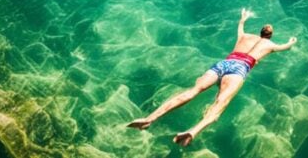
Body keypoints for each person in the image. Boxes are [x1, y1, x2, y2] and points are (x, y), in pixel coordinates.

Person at [126, 8, 297, 147]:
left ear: (260, 31)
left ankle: (149, 119)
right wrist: (291, 41)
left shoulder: (244, 37)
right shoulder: (270, 45)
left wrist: (243, 18)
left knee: (193, 91)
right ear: (270, 35)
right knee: (220, 103)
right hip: (239, 68)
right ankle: (194, 131)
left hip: (224, 63)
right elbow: (286, 47)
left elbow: (240, 28)